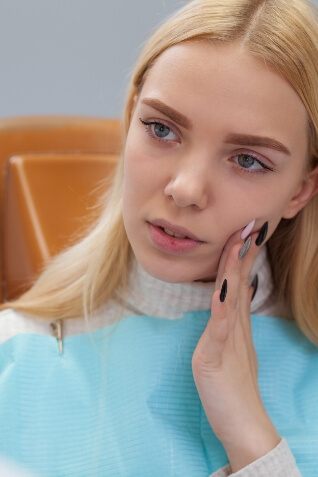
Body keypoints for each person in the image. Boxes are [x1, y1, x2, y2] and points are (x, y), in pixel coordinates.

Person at [0, 0, 318, 475]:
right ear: (129, 120)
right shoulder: (15, 356)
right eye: (161, 129)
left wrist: (253, 441)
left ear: (300, 190)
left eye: (248, 160)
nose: (186, 190)